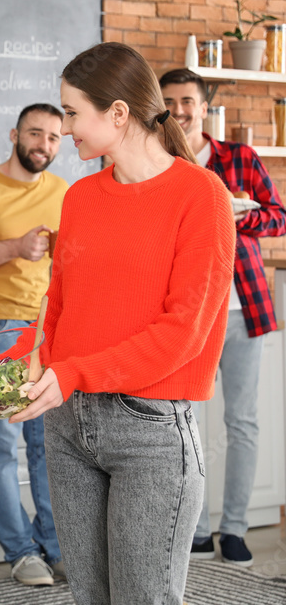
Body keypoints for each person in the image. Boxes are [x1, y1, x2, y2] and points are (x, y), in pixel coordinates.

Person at [11, 43, 236, 604]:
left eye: (71, 114)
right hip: (67, 426)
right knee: (90, 598)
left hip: (150, 433)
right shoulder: (82, 197)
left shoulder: (200, 195)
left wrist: (72, 373)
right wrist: (10, 367)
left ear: (117, 113)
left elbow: (182, 333)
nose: (63, 129)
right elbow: (58, 306)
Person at [159, 68, 286, 567]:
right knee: (180, 423)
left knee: (242, 421)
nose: (179, 110)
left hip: (242, 310)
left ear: (205, 106)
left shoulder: (239, 158)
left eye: (187, 100)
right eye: (169, 100)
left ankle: (233, 529)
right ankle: (195, 527)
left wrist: (240, 214)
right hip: (185, 316)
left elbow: (278, 216)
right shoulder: (160, 162)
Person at [0, 103, 68, 586]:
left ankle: (58, 547)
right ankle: (21, 552)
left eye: (54, 137)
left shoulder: (64, 192)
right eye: (35, 133)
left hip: (43, 329)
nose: (43, 144)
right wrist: (16, 248)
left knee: (49, 446)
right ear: (14, 134)